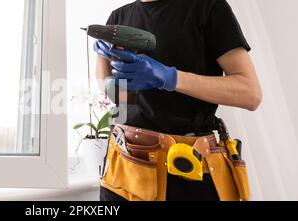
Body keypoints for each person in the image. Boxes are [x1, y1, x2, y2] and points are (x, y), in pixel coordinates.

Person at [95, 0, 262, 201]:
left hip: (187, 171)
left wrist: (170, 78)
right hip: (123, 168)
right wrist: (103, 57)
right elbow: (115, 96)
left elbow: (250, 94)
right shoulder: (118, 17)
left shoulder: (208, 7)